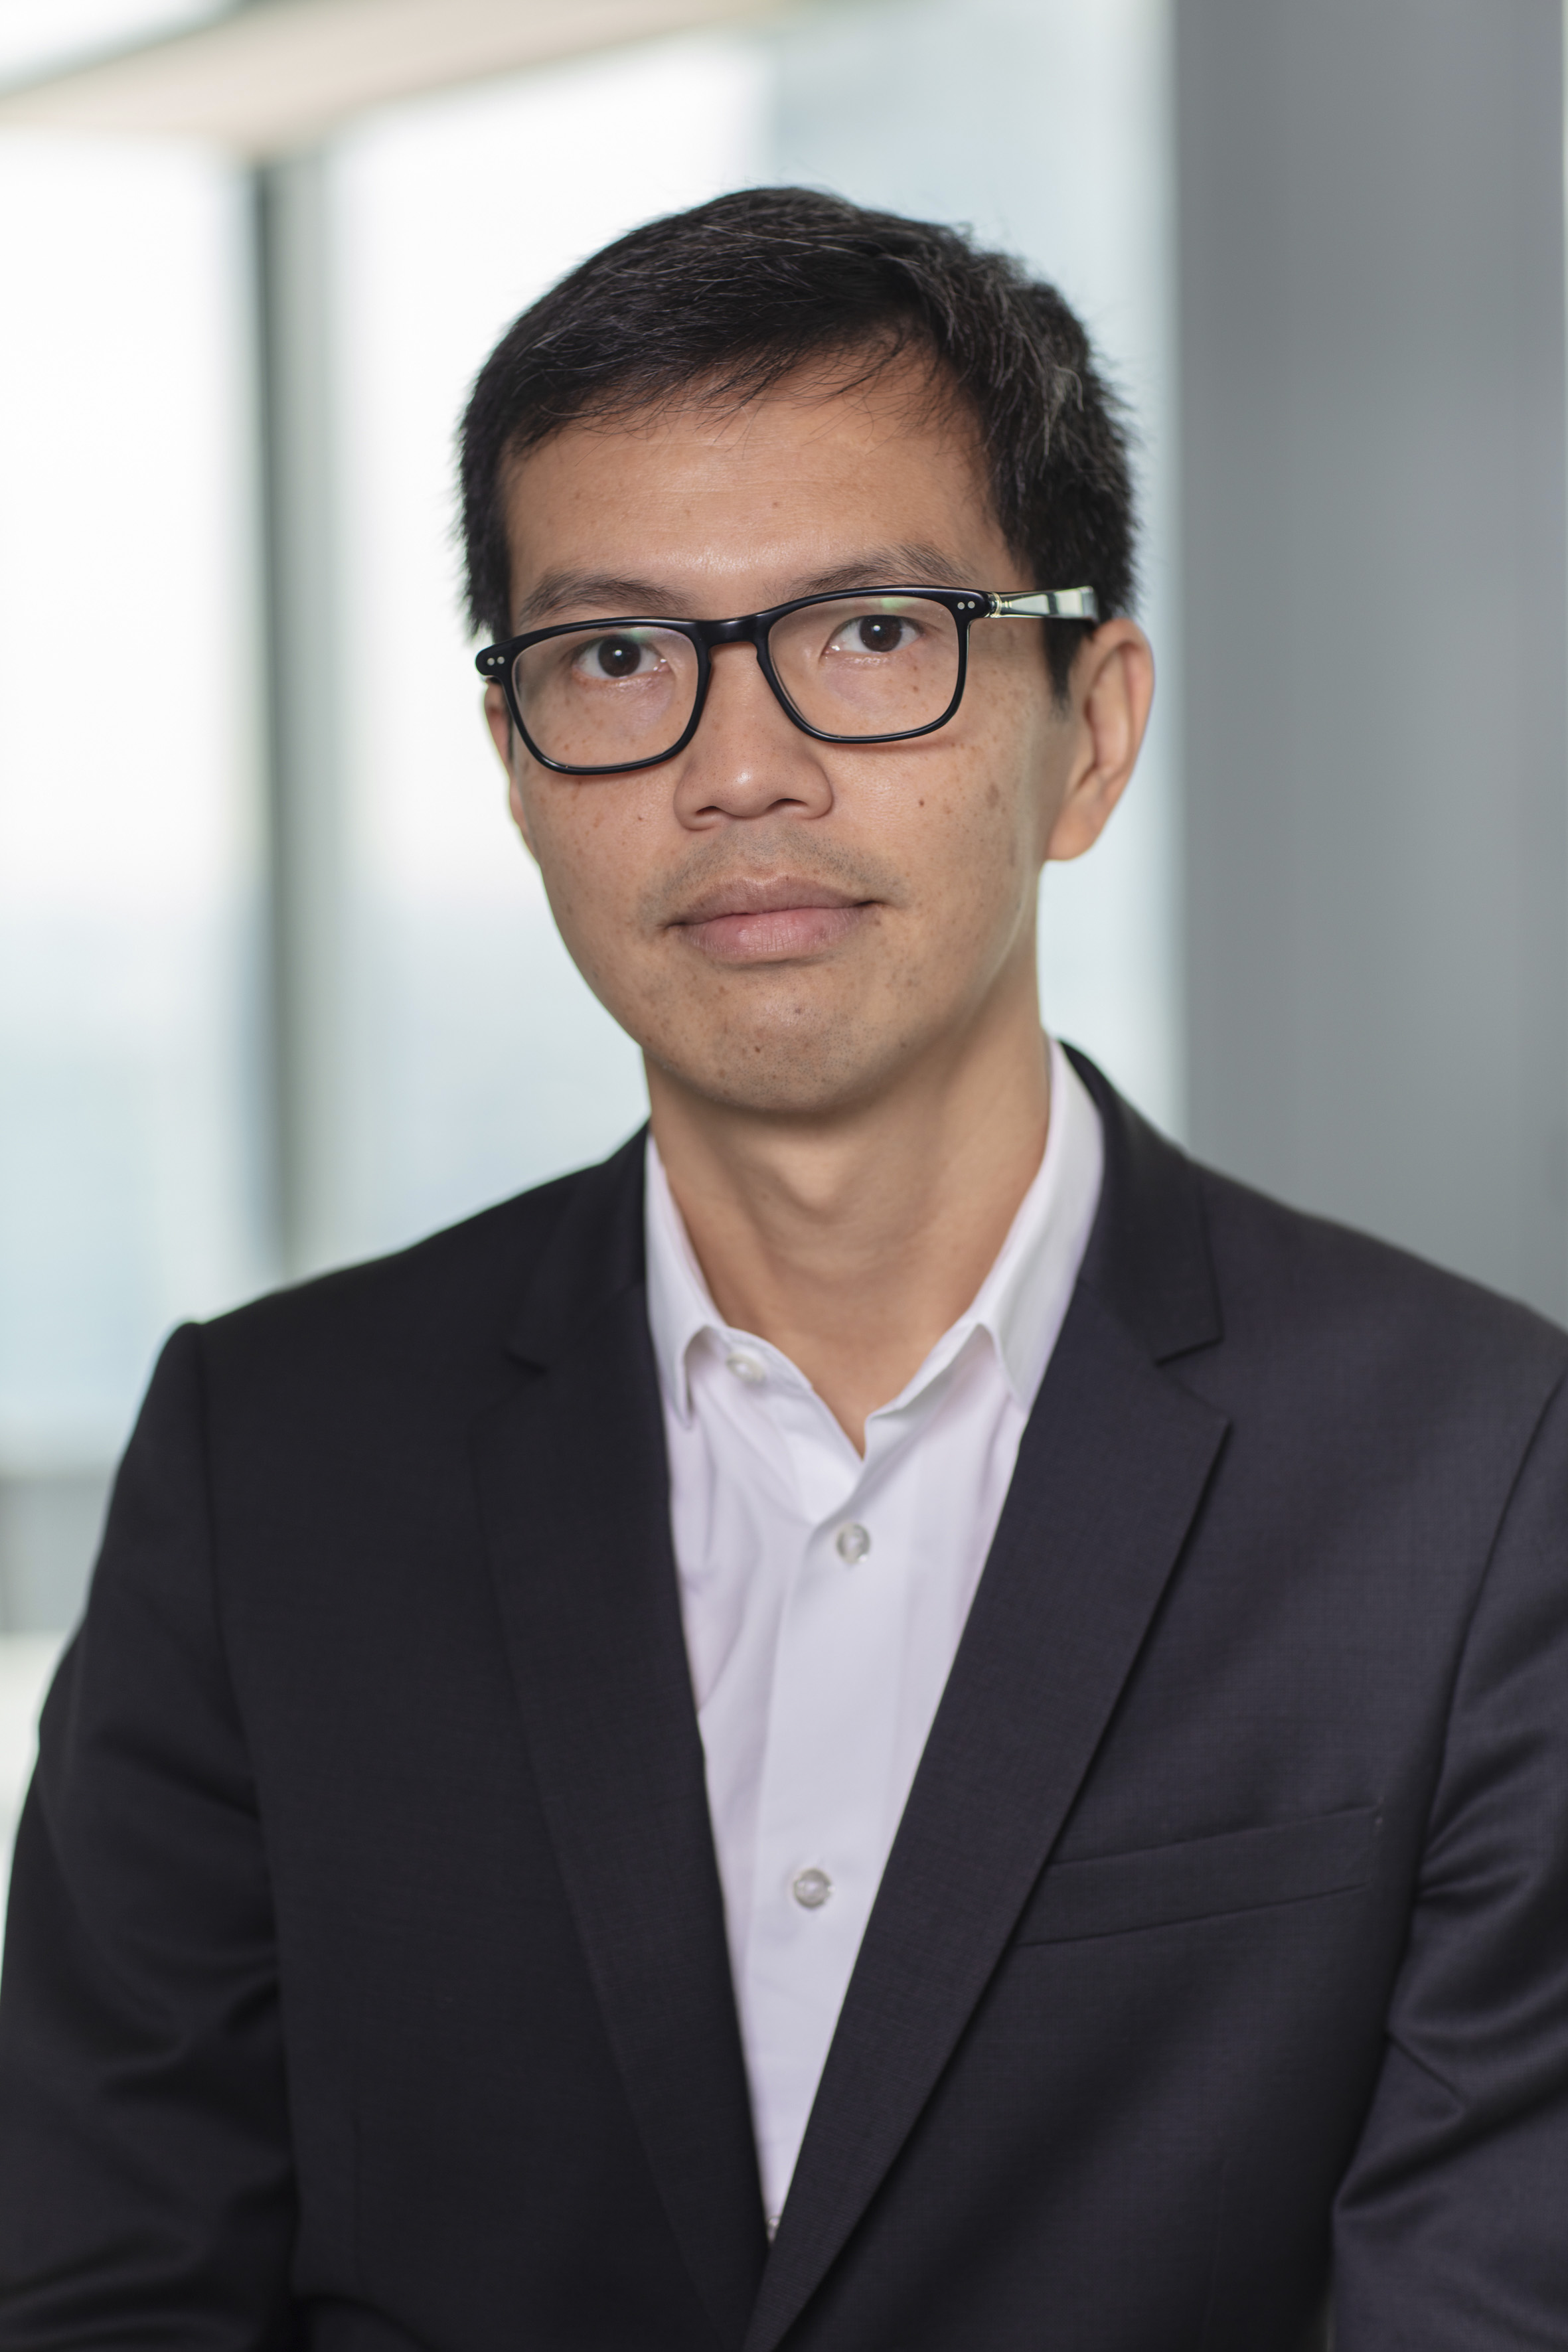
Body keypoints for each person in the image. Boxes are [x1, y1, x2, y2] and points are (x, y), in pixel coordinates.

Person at [1, 185, 1564, 2352]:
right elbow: (108, 2283)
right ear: (522, 771)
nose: (736, 770)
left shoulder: (1473, 1473)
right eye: (617, 657)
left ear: (1085, 732)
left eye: (865, 635)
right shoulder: (268, 1464)